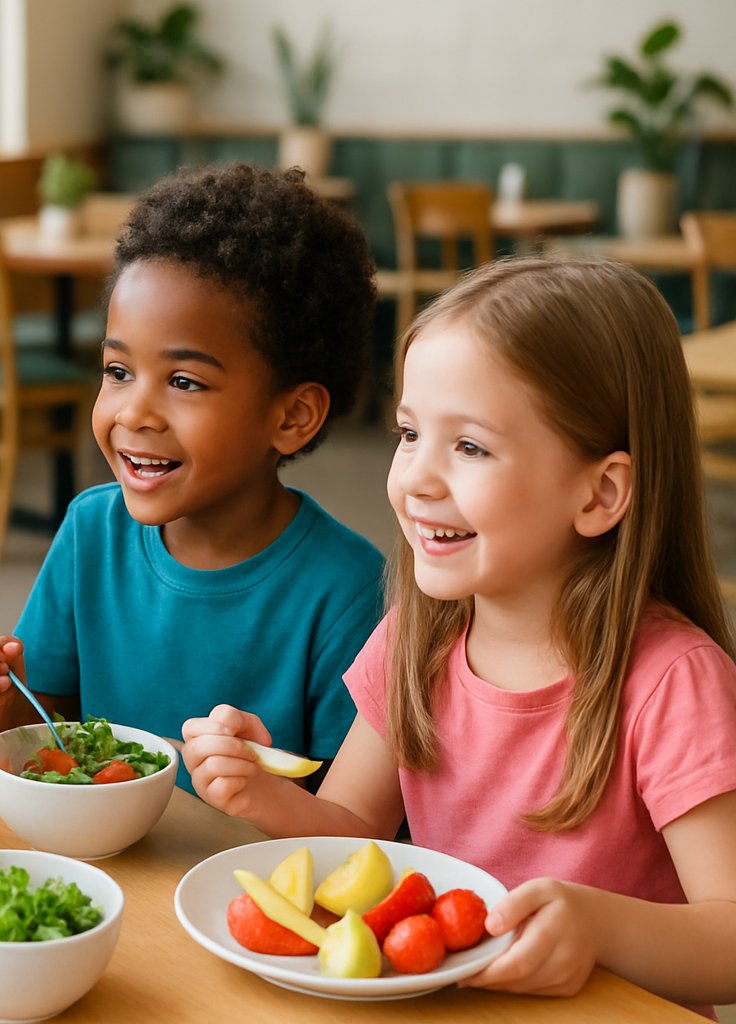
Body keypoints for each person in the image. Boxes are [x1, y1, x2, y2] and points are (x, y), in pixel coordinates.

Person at [182, 257, 736, 1012]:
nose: (415, 478)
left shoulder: (673, 680)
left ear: (601, 491)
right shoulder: (418, 635)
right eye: (410, 434)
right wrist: (264, 796)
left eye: (469, 446)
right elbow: (353, 832)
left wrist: (599, 927)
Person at [0, 163, 385, 783]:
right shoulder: (91, 530)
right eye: (118, 372)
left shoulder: (349, 592)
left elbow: (354, 822)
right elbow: (48, 724)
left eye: (184, 381)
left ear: (292, 416)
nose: (134, 412)